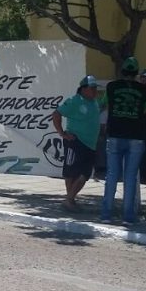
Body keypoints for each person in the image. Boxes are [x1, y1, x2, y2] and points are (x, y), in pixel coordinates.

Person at [100, 57, 146, 223]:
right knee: (130, 177)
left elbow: (103, 103)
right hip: (136, 136)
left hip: (115, 134)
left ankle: (106, 214)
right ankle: (128, 216)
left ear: (122, 71)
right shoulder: (144, 90)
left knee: (112, 175)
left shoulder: (112, 87)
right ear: (136, 73)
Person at [52, 75, 102, 212]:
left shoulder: (94, 102)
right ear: (83, 89)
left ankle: (69, 199)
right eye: (92, 88)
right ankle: (70, 200)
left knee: (85, 173)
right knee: (71, 172)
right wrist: (62, 133)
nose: (95, 91)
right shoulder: (75, 101)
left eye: (95, 88)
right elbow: (56, 114)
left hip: (90, 144)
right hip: (75, 141)